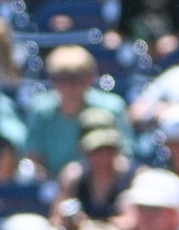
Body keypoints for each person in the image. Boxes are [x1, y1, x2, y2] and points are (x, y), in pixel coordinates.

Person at [24, 45, 134, 178]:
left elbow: (124, 155)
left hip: (100, 183)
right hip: (53, 185)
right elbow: (33, 157)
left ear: (90, 78)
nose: (69, 86)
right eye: (61, 78)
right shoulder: (41, 110)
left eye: (76, 77)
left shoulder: (112, 108)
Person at [50, 108, 139, 226]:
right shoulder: (73, 176)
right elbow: (56, 220)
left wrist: (99, 226)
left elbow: (138, 222)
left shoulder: (136, 175)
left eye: (109, 148)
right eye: (97, 150)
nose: (104, 155)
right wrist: (70, 221)